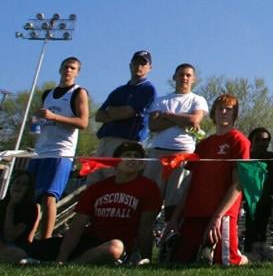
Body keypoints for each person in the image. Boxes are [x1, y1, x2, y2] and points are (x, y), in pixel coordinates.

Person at [25, 141, 161, 265]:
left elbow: (145, 227)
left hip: (119, 245)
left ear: (143, 164)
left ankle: (70, 266)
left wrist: (146, 258)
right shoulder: (98, 187)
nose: (132, 158)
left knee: (114, 247)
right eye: (128, 155)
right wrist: (62, 256)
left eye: (137, 156)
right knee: (21, 250)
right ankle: (53, 261)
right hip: (88, 240)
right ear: (115, 162)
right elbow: (78, 225)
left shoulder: (149, 187)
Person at [162, 93, 250, 265]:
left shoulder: (239, 140)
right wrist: (176, 217)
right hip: (196, 211)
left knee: (226, 261)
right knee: (180, 259)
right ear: (213, 113)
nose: (223, 112)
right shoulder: (204, 144)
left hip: (222, 213)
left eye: (228, 109)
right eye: (220, 108)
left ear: (234, 114)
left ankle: (250, 257)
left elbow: (238, 183)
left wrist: (218, 217)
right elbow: (190, 182)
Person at [29, 56, 88, 239]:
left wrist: (54, 117)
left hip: (61, 152)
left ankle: (44, 240)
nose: (68, 71)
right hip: (40, 151)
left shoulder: (78, 93)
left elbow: (83, 122)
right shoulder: (48, 94)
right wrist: (36, 121)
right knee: (31, 199)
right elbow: (41, 120)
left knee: (48, 197)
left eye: (72, 68)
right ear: (60, 69)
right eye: (65, 67)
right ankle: (28, 239)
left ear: (78, 72)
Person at [147, 63, 208, 220]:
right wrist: (182, 119)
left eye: (188, 75)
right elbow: (153, 125)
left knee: (176, 202)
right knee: (149, 201)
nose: (184, 78)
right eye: (181, 74)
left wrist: (167, 115)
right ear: (174, 77)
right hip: (158, 153)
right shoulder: (161, 100)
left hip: (183, 154)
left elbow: (194, 119)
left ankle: (171, 238)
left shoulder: (197, 100)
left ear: (194, 79)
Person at [91, 50, 156, 181]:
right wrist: (118, 113)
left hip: (126, 143)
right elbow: (99, 116)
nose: (139, 66)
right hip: (105, 139)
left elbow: (128, 112)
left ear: (150, 67)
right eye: (136, 63)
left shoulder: (148, 89)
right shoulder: (119, 90)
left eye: (143, 63)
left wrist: (112, 111)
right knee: (94, 181)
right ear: (130, 65)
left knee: (115, 181)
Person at [245, 127, 273, 260]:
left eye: (266, 140)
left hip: (271, 199)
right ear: (251, 141)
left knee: (262, 203)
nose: (263, 143)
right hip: (246, 197)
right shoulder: (245, 158)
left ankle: (259, 245)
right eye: (259, 140)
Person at [0, 170, 40, 263]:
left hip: (16, 246)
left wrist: (11, 208)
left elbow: (10, 236)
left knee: (15, 253)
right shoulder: (2, 204)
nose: (19, 186)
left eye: (24, 184)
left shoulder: (30, 208)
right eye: (17, 182)